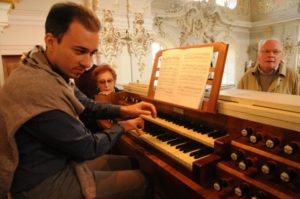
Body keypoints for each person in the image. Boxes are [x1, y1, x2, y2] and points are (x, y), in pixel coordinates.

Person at [0, 2, 157, 199]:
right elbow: (87, 147)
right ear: (50, 41)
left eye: (91, 53)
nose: (88, 63)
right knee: (143, 181)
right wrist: (123, 126)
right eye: (80, 51)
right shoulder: (37, 89)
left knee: (133, 162)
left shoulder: (50, 71)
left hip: (58, 161)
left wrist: (125, 110)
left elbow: (88, 105)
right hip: (40, 183)